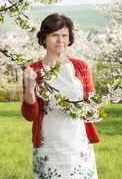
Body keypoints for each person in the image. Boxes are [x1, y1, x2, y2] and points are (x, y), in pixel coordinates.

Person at [21, 13, 100, 179]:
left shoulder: (81, 67)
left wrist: (93, 109)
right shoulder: (33, 71)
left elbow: (92, 105)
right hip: (49, 146)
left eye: (64, 35)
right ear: (44, 38)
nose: (61, 40)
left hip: (78, 145)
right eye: (54, 35)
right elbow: (30, 116)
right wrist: (29, 88)